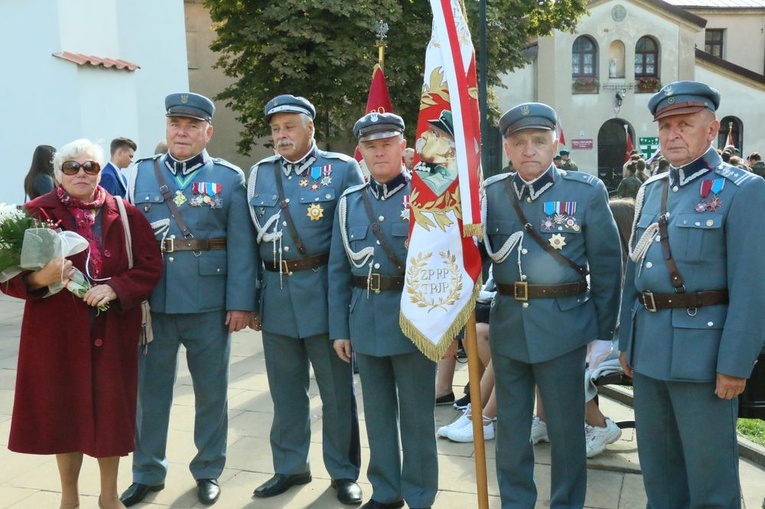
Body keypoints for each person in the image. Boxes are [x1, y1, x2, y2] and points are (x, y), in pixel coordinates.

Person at [619, 81, 765, 508]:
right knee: (659, 477)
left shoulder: (742, 190)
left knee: (710, 483)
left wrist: (735, 364)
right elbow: (636, 272)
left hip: (705, 356)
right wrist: (625, 341)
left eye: (685, 124)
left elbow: (752, 286)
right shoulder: (651, 188)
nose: (672, 134)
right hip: (648, 352)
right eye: (665, 126)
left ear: (712, 129)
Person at [2, 138, 162, 509]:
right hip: (57, 333)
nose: (81, 173)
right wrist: (39, 280)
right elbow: (7, 273)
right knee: (66, 413)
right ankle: (69, 498)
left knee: (112, 416)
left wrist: (117, 289)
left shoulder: (124, 212)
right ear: (58, 173)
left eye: (90, 166)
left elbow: (150, 265)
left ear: (100, 171)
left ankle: (109, 496)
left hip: (113, 329)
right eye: (71, 166)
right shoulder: (35, 212)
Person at [120, 92, 257, 507]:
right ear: (166, 128)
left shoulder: (229, 177)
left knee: (211, 393)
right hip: (153, 305)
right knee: (150, 394)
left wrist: (240, 303)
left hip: (209, 305)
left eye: (192, 126)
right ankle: (147, 472)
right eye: (176, 124)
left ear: (207, 132)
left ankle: (209, 469)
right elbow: (124, 240)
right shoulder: (139, 174)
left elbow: (242, 246)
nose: (183, 132)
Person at [484, 102, 622, 508]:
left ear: (554, 143)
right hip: (508, 324)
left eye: (539, 141)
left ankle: (566, 503)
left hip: (564, 327)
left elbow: (608, 266)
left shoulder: (584, 191)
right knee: (510, 428)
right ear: (507, 147)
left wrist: (602, 333)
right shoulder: (490, 193)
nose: (530, 150)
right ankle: (515, 501)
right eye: (520, 142)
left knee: (565, 430)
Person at [247, 94, 363, 504]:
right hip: (276, 297)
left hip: (324, 294)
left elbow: (354, 237)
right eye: (276, 129)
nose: (281, 135)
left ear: (310, 127)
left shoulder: (342, 170)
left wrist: (347, 308)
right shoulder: (259, 174)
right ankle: (290, 467)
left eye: (289, 127)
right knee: (285, 391)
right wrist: (249, 301)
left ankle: (344, 472)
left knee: (336, 392)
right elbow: (248, 244)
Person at [328, 112, 438, 509]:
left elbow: (448, 263)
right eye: (370, 146)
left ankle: (421, 494)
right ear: (361, 151)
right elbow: (338, 271)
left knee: (417, 418)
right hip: (366, 318)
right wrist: (339, 329)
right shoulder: (349, 203)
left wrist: (446, 324)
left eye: (386, 143)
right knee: (376, 416)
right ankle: (386, 491)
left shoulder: (429, 197)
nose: (378, 152)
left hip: (415, 320)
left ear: (403, 147)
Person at [414, 109, 458, 196]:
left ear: (452, 150)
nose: (423, 134)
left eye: (435, 133)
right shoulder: (420, 170)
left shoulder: (441, 183)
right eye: (430, 130)